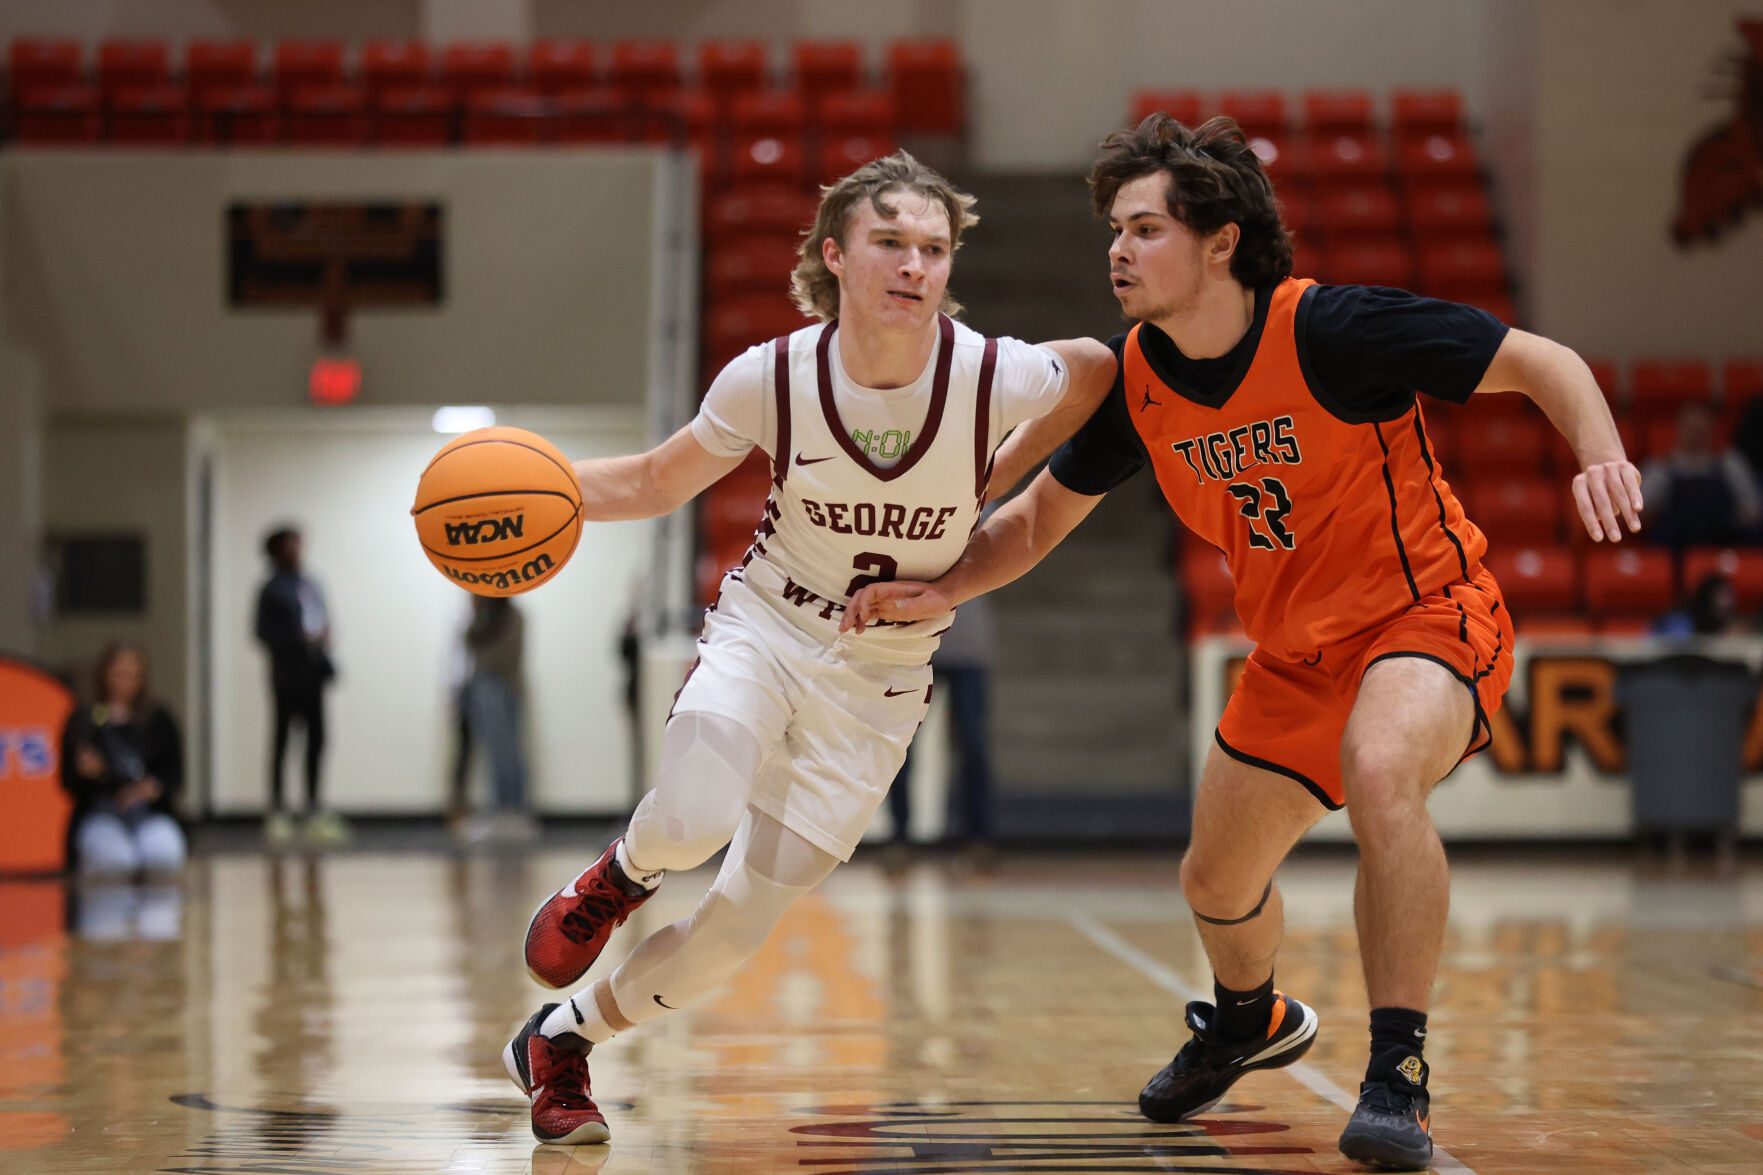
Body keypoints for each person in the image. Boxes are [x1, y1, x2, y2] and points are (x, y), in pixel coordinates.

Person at [845, 116, 1644, 1170]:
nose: (1117, 251)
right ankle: (1247, 1020)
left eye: (1143, 228)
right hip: (1292, 655)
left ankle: (1394, 1073)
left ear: (1218, 241)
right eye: (1113, 231)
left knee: (1378, 770)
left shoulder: (1335, 329)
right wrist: (936, 585)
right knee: (1213, 882)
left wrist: (1595, 450)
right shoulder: (1142, 378)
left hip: (1423, 613)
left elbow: (1543, 360)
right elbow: (1036, 521)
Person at [499, 151, 1118, 1146]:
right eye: (889, 242)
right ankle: (617, 876)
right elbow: (658, 482)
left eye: (932, 247)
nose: (913, 265)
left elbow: (1094, 365)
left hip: (881, 676)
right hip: (769, 622)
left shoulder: (993, 373)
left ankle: (557, 1040)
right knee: (695, 813)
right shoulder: (772, 376)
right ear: (835, 254)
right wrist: (525, 488)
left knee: (731, 939)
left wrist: (991, 476)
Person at [884, 576, 997, 856]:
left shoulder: (980, 529)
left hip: (969, 649)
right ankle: (899, 838)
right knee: (902, 747)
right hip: (915, 645)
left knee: (973, 745)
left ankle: (977, 840)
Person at [59, 642, 186, 877]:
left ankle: (158, 914)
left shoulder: (158, 718)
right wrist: (89, 774)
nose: (125, 682)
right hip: (102, 812)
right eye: (119, 674)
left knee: (163, 854)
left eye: (133, 675)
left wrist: (152, 788)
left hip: (149, 813)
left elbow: (174, 776)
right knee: (115, 860)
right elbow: (67, 780)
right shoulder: (85, 720)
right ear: (104, 674)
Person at [254, 526, 345, 846]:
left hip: (314, 676)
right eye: (290, 543)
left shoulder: (310, 584)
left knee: (316, 741)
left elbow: (321, 618)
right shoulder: (270, 589)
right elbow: (262, 633)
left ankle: (313, 807)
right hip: (286, 677)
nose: (297, 548)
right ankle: (278, 808)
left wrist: (324, 637)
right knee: (282, 741)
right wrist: (299, 639)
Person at [459, 595, 535, 842]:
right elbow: (468, 640)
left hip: (500, 687)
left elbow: (494, 654)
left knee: (506, 751)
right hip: (488, 687)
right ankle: (502, 812)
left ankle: (513, 812)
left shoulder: (512, 616)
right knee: (495, 752)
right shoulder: (485, 618)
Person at [1639, 399, 1762, 548]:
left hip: (1722, 547)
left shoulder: (1730, 464)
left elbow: (1753, 509)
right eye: (1691, 428)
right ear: (1680, 429)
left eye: (1700, 428)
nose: (1696, 434)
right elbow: (1640, 510)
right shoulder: (1660, 468)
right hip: (1675, 550)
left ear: (1711, 430)